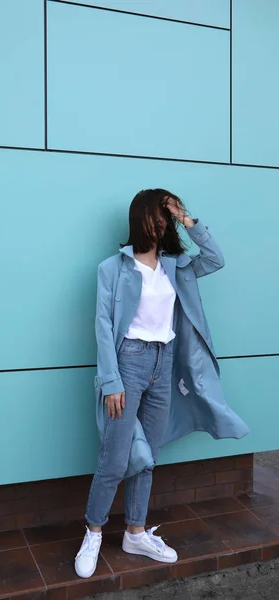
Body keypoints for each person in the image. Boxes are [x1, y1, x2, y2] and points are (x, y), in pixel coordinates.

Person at [74, 188, 250, 579]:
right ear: (139, 219)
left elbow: (216, 259)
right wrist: (110, 380)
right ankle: (93, 531)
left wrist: (187, 219)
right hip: (128, 365)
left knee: (149, 456)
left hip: (164, 364)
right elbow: (103, 328)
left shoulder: (176, 266)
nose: (160, 223)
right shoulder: (113, 269)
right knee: (116, 456)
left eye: (165, 217)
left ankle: (135, 532)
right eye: (155, 216)